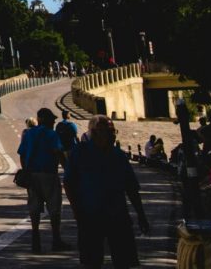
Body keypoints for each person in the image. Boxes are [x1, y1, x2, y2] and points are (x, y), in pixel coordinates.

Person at [64, 116, 149, 268]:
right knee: (92, 260)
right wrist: (77, 211)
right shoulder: (81, 153)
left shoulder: (118, 155)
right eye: (107, 131)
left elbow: (131, 188)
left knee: (123, 260)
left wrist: (141, 215)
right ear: (95, 133)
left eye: (113, 131)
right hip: (90, 215)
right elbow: (69, 183)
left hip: (117, 215)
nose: (112, 135)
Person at [18, 106, 69, 253]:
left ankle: (35, 240)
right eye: (52, 120)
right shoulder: (51, 135)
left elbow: (21, 154)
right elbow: (58, 152)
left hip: (32, 175)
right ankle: (56, 239)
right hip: (48, 174)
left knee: (34, 208)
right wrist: (68, 170)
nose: (53, 122)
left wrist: (26, 171)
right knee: (54, 208)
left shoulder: (28, 134)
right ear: (44, 120)